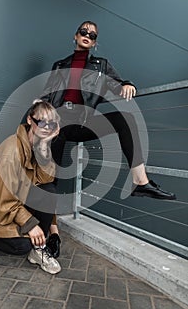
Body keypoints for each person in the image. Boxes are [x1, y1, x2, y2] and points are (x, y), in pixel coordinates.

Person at [41, 20, 176, 200]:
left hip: (82, 122)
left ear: (95, 43)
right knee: (50, 178)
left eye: (92, 35)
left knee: (125, 118)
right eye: (83, 32)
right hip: (59, 122)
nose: (87, 36)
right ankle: (48, 223)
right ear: (75, 36)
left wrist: (127, 84)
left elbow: (117, 84)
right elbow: (47, 96)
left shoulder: (101, 65)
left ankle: (141, 182)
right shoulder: (60, 65)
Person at [0, 100, 62, 274]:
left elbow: (45, 179)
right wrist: (30, 225)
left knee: (48, 191)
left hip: (13, 199)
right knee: (21, 245)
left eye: (51, 124)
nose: (46, 128)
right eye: (41, 122)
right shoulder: (11, 153)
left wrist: (45, 146)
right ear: (30, 120)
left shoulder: (37, 144)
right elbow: (4, 201)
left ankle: (37, 249)